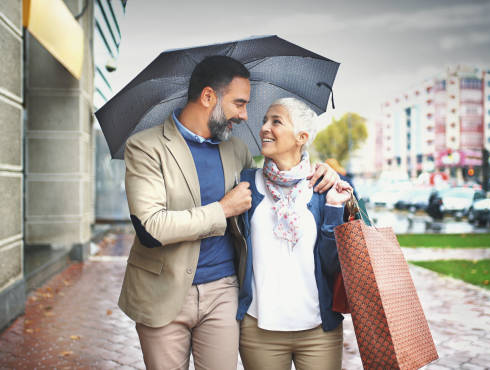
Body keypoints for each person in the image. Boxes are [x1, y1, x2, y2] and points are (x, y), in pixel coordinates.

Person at [118, 56, 339, 370]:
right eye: (239, 103)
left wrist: (322, 172)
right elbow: (151, 228)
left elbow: (276, 183)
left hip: (223, 292)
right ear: (208, 97)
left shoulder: (235, 150)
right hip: (163, 291)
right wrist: (222, 209)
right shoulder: (145, 147)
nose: (245, 115)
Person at [237, 98, 351, 370]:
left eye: (276, 121)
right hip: (259, 330)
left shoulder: (324, 188)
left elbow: (334, 263)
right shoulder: (244, 183)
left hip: (318, 331)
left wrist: (335, 208)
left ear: (302, 137)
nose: (264, 127)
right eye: (265, 120)